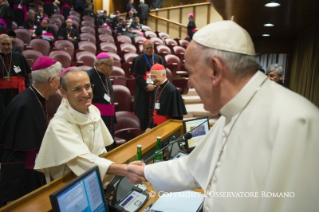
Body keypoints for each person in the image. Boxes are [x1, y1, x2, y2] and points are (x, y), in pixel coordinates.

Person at [127, 20, 319, 211]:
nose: (191, 84)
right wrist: (146, 171)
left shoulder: (298, 122)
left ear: (215, 70)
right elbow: (194, 168)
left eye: (191, 73)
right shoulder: (232, 111)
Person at [34, 67, 145, 186]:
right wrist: (124, 169)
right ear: (64, 93)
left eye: (87, 86)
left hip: (98, 177)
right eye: (77, 89)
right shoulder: (58, 125)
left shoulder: (92, 110)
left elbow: (100, 150)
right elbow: (81, 160)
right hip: (71, 184)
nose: (85, 94)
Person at [0, 57, 62, 204]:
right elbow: (18, 153)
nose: (60, 81)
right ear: (52, 80)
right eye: (59, 77)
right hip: (22, 177)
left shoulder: (34, 98)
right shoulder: (26, 105)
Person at [130, 40, 165, 130]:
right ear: (143, 48)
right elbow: (137, 77)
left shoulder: (159, 59)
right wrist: (146, 86)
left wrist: (155, 85)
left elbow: (162, 74)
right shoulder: (137, 59)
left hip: (156, 89)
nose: (149, 50)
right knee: (142, 113)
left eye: (151, 48)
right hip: (142, 91)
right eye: (147, 48)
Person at [147, 64, 187, 129]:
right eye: (151, 77)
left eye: (155, 76)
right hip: (156, 128)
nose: (153, 80)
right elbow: (154, 112)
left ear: (164, 75)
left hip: (167, 129)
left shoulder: (172, 91)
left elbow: (177, 117)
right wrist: (149, 127)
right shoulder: (156, 89)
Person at [87, 53, 116, 142]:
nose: (112, 68)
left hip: (109, 117)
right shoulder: (89, 76)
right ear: (101, 64)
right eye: (110, 65)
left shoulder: (105, 76)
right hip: (97, 118)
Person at [0, 34, 31, 108]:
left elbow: (26, 76)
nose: (6, 47)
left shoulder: (19, 57)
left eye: (8, 44)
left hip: (18, 93)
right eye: (3, 44)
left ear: (12, 45)